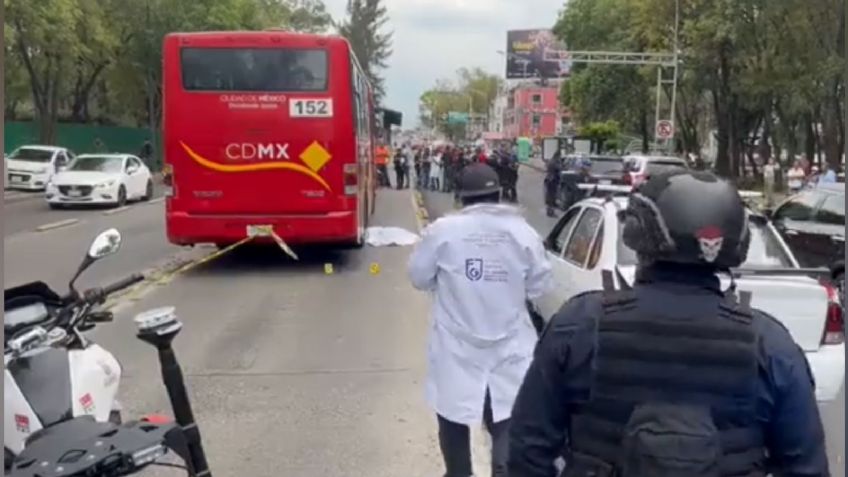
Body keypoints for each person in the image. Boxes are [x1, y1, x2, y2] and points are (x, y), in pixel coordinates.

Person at [509, 169, 829, 477]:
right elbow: (806, 467)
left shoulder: (579, 325)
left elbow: (528, 450)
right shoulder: (771, 346)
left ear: (640, 234)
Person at [408, 163, 553, 477]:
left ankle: (459, 472)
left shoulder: (443, 231)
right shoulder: (523, 232)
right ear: (499, 194)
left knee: (452, 416)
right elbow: (540, 285)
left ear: (461, 197)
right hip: (510, 345)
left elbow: (419, 278)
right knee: (505, 416)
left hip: (456, 345)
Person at [544, 150, 565, 217]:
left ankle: (550, 210)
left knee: (550, 196)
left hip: (550, 180)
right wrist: (562, 164)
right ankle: (550, 212)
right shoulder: (554, 162)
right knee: (551, 197)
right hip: (552, 180)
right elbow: (560, 168)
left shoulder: (551, 161)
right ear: (558, 156)